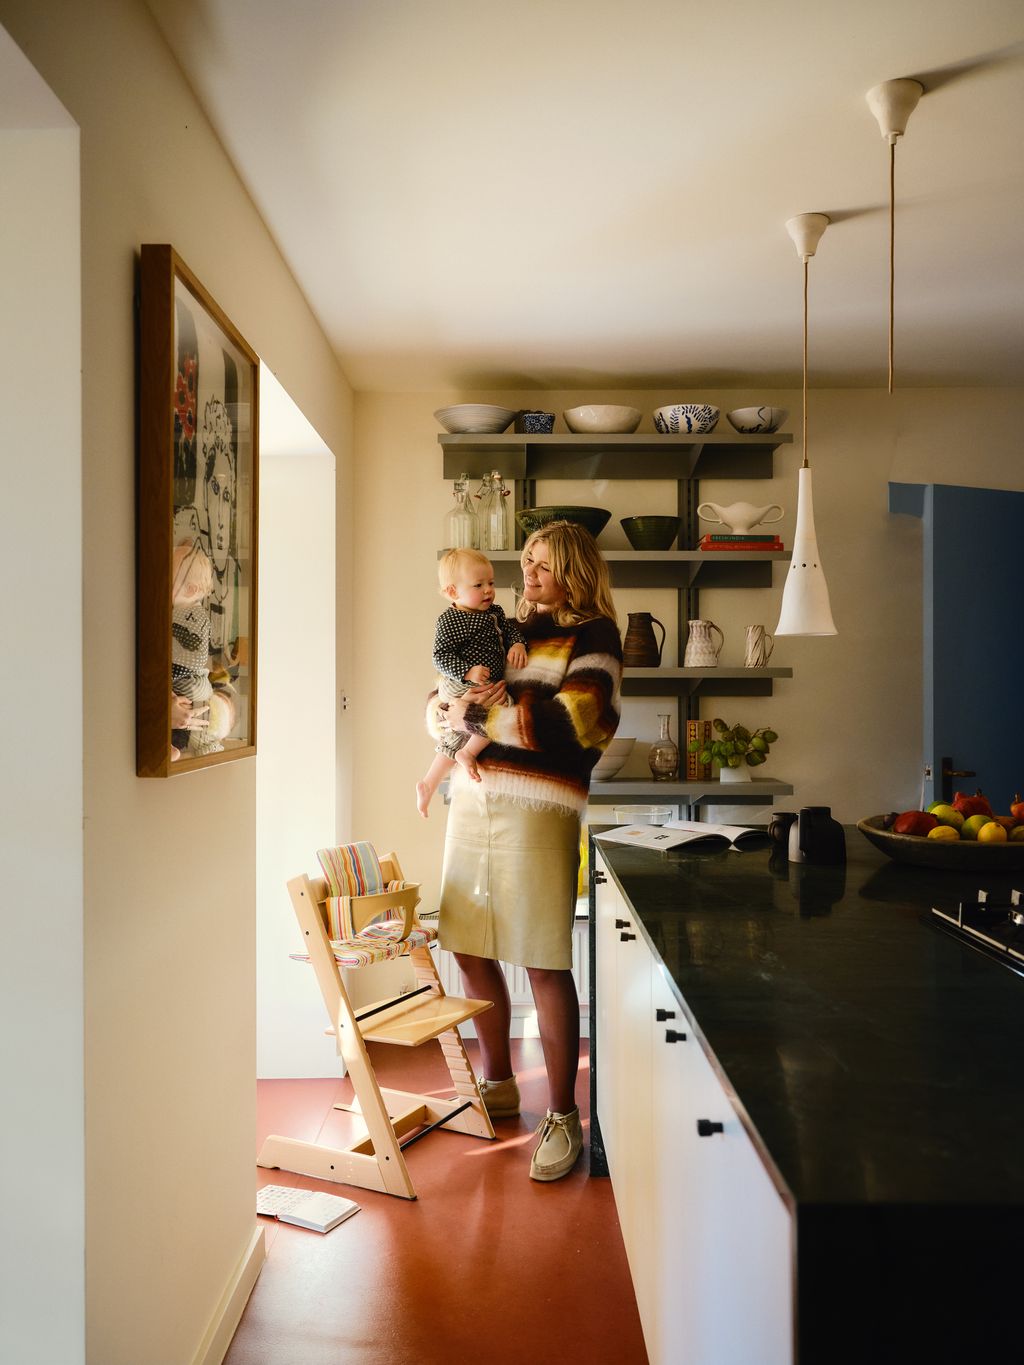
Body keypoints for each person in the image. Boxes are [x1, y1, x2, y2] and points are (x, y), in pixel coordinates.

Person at [434, 521, 622, 1182]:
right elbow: (441, 694)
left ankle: (565, 1114)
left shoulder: (595, 633)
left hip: (539, 811)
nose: (528, 577)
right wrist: (445, 712)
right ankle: (500, 1079)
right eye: (527, 563)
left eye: (543, 566)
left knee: (541, 955)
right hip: (473, 799)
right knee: (467, 941)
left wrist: (476, 718)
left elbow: (578, 723)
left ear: (575, 571)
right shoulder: (499, 625)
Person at [417, 548, 528, 817]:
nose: (488, 590)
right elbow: (440, 656)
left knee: (457, 733)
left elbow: (512, 629)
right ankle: (467, 753)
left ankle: (429, 782)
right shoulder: (451, 620)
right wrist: (467, 672)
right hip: (460, 682)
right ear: (453, 592)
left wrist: (518, 644)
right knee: (503, 707)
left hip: (481, 683)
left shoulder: (495, 612)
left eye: (490, 582)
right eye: (478, 585)